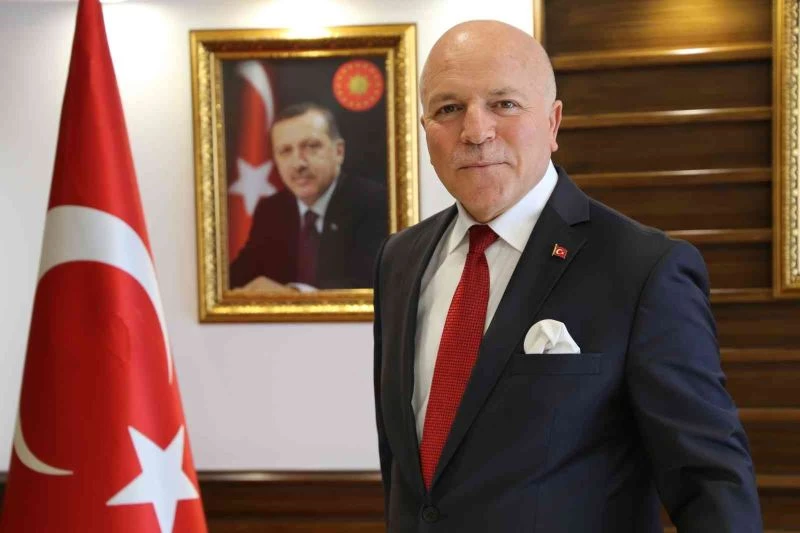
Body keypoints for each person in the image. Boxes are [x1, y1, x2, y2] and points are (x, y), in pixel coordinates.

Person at [372, 20, 762, 532]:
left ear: (553, 123)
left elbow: (710, 483)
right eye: (449, 108)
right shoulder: (399, 260)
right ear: (426, 130)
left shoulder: (642, 268)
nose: (475, 131)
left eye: (504, 104)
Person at [230, 102, 387, 291]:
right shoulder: (271, 210)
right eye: (285, 151)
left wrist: (293, 296)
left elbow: (369, 287)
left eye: (311, 146)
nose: (298, 164)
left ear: (339, 152)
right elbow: (235, 280)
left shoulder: (374, 203)